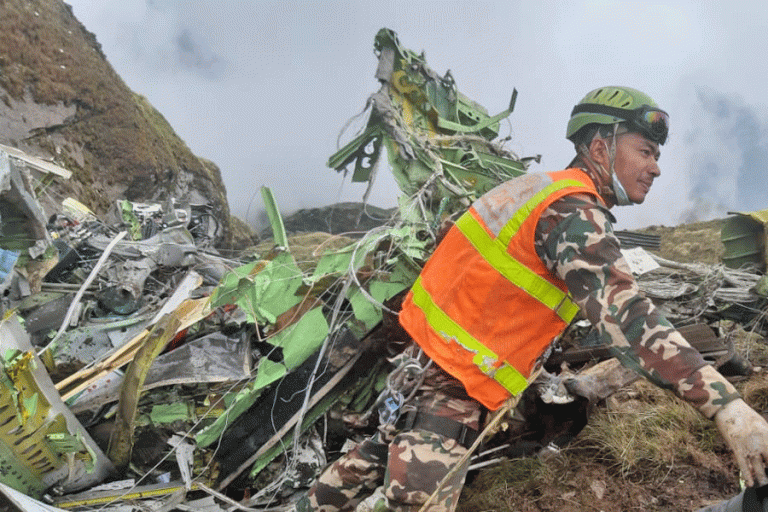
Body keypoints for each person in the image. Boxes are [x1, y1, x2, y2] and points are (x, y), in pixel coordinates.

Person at [299, 86, 768, 512]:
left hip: (423, 368)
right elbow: (625, 317)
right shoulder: (573, 211)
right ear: (602, 149)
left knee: (346, 484)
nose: (656, 166)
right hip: (451, 389)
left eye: (657, 154)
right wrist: (726, 405)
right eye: (645, 150)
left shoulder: (538, 190)